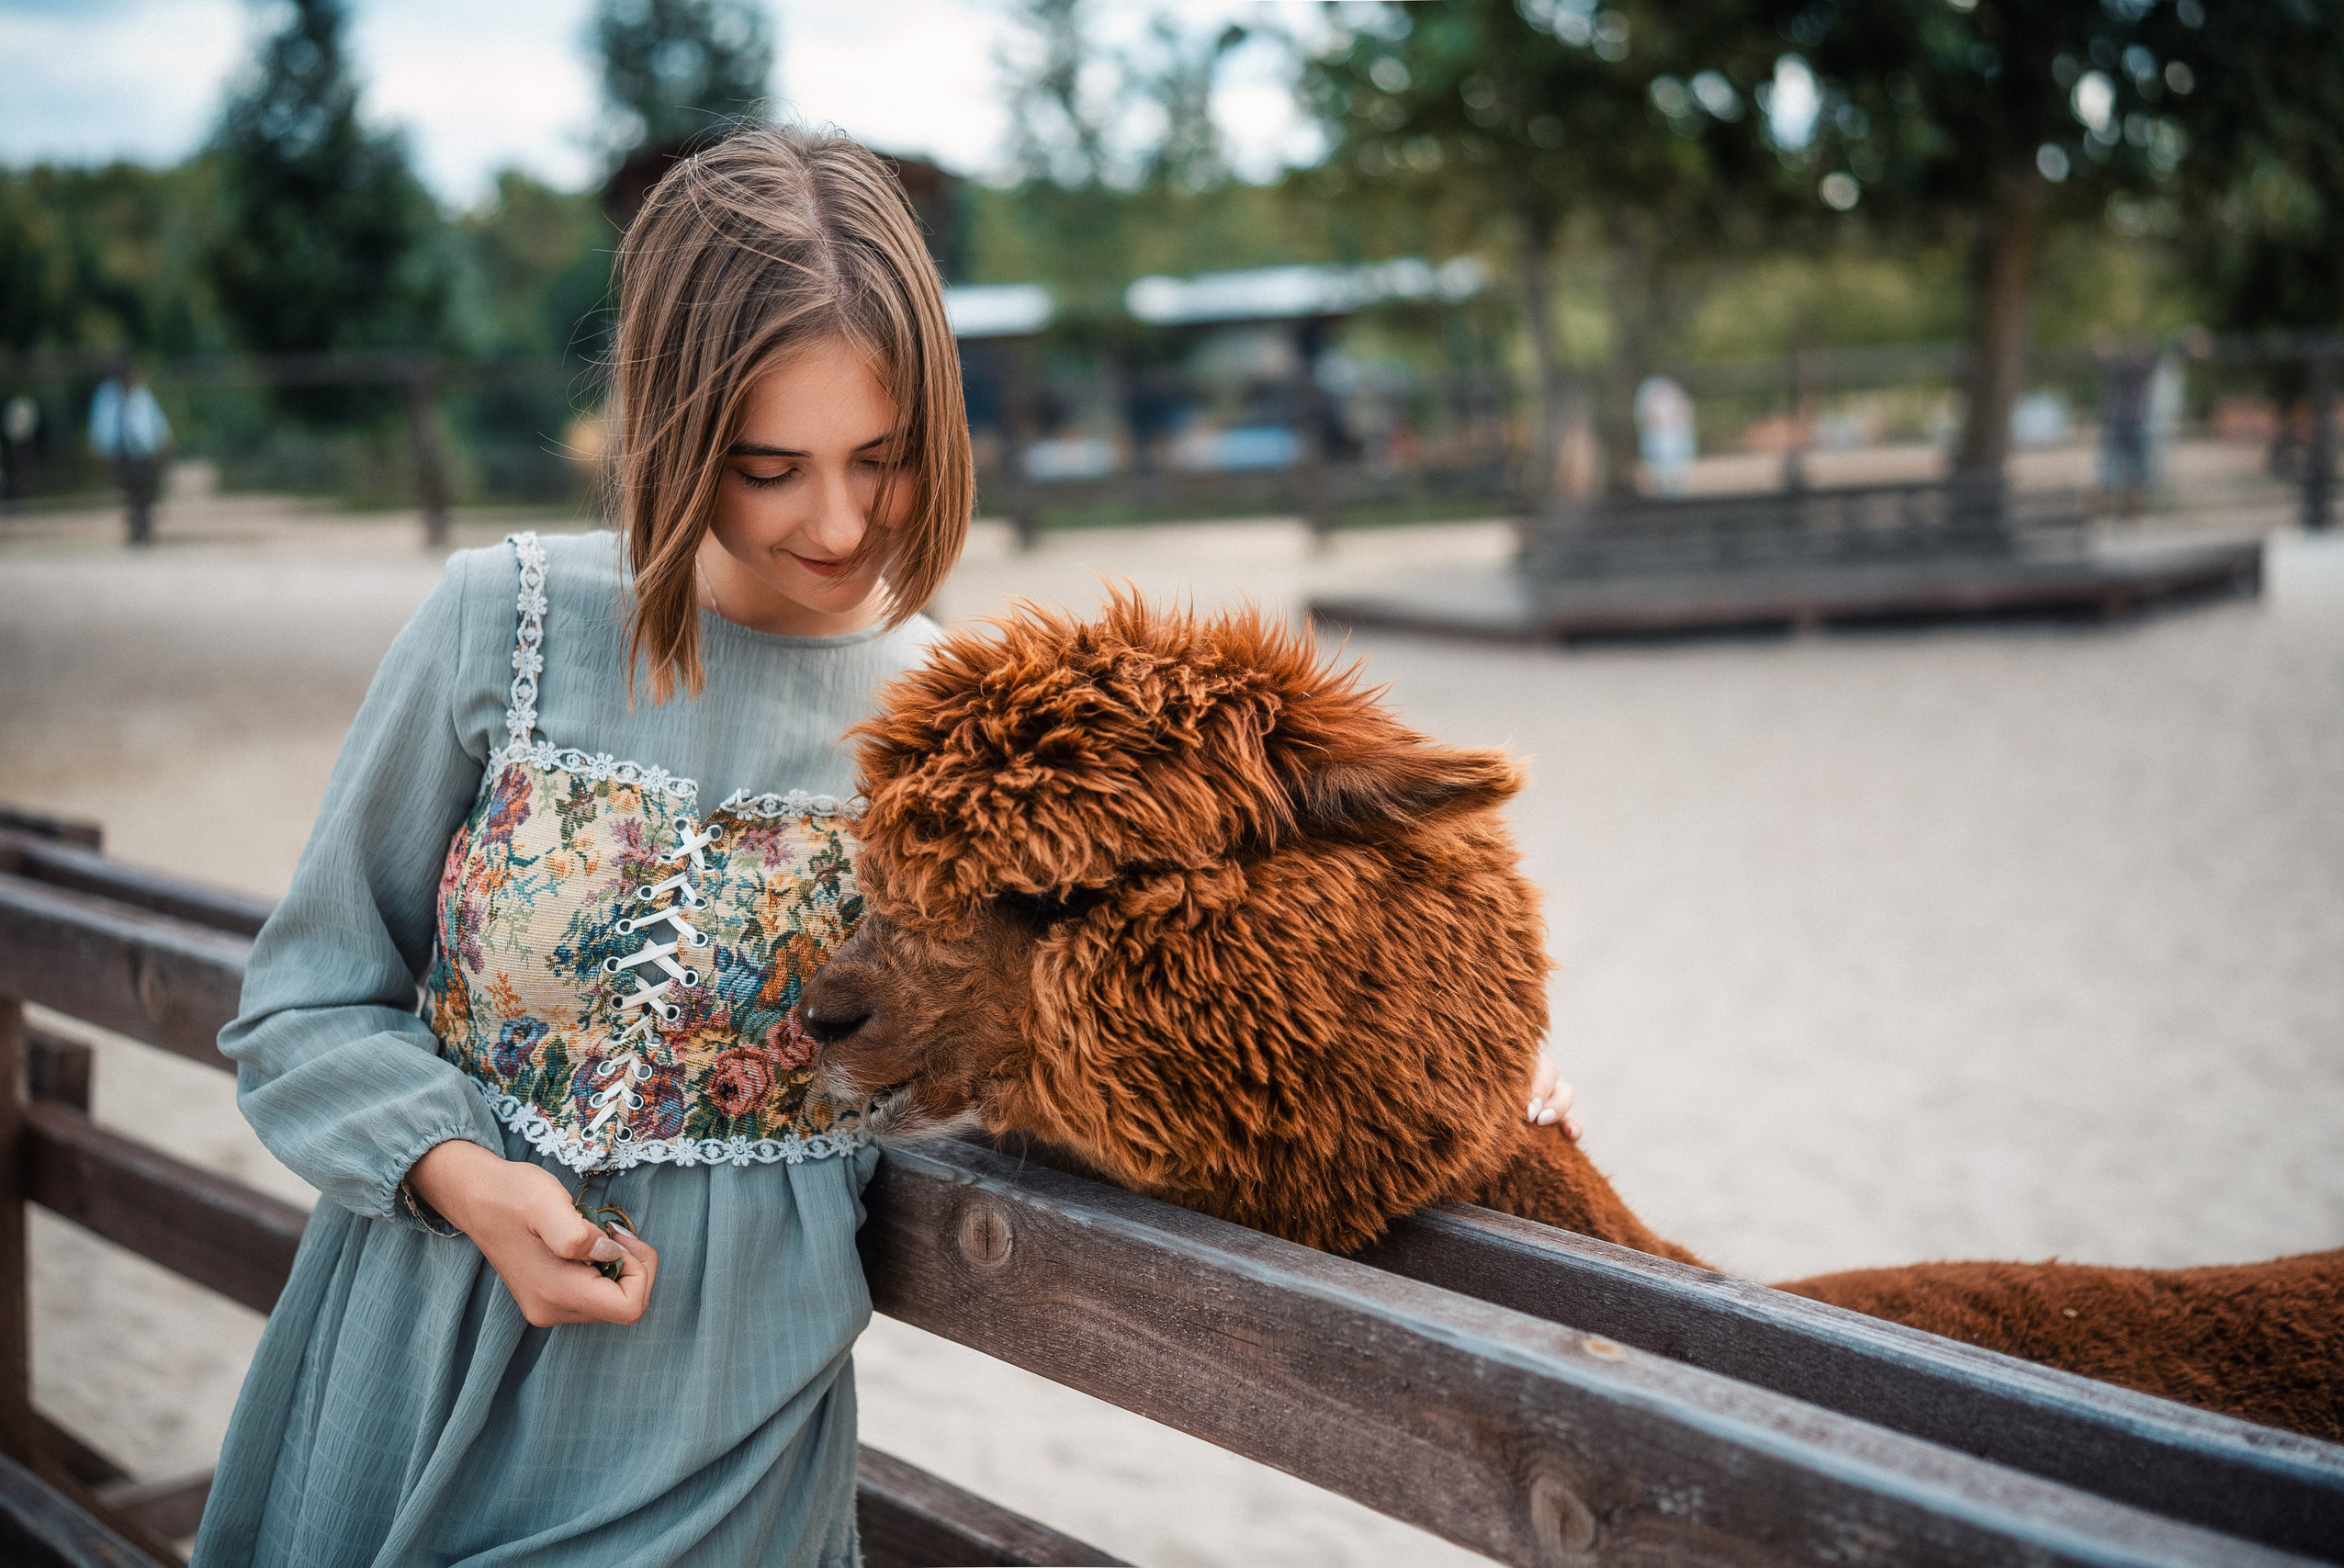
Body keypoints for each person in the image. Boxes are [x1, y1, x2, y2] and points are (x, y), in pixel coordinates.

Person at [192, 126, 1580, 1568]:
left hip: (722, 1432)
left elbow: (1124, 992)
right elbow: (304, 1001)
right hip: (414, 1346)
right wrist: (462, 1174)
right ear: (674, 432)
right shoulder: (506, 625)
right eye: (770, 466)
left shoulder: (956, 731)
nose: (840, 521)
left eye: (884, 458)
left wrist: (1455, 1034)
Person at [87, 366, 171, 545]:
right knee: (130, 494)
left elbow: (156, 421)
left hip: (141, 453)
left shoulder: (142, 396)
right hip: (121, 454)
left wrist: (161, 443)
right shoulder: (108, 398)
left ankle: (143, 530)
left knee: (144, 494)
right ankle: (136, 530)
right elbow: (100, 426)